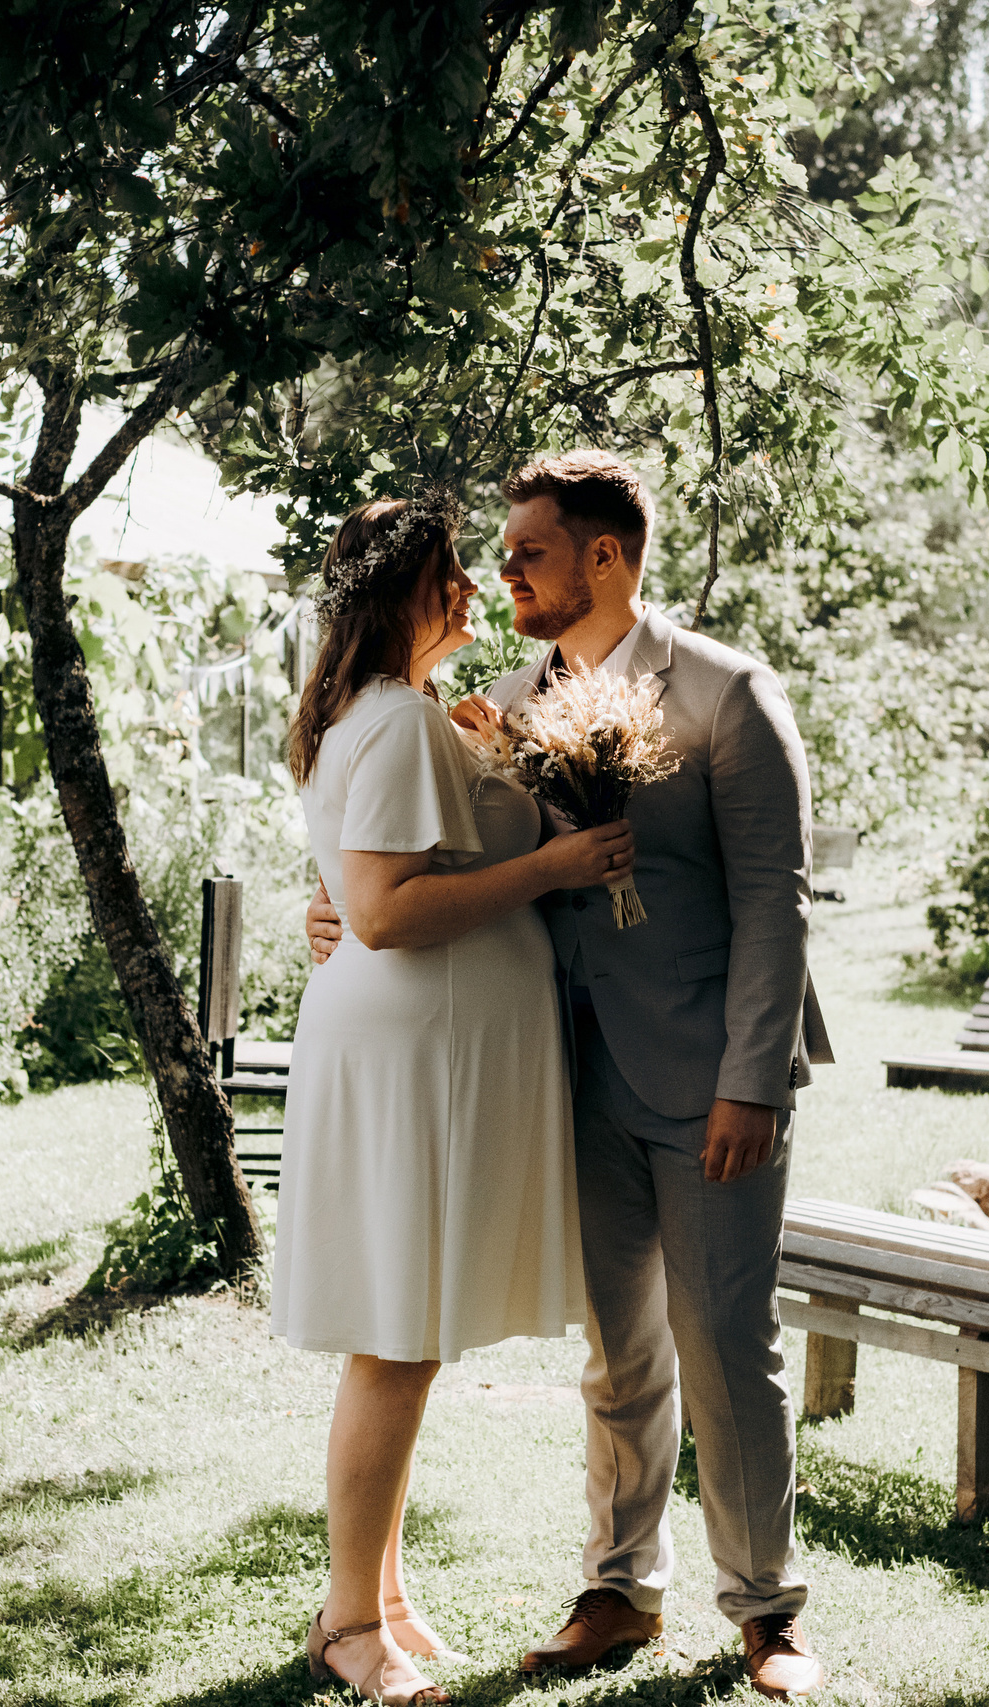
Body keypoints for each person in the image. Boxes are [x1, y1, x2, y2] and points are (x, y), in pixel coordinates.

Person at [309, 450, 828, 1700]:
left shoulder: (725, 695)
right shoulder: (497, 697)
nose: (504, 571)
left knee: (725, 1346)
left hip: (710, 1077)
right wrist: (327, 917)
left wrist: (753, 1078)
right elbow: (414, 860)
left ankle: (768, 1617)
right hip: (561, 1075)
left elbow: (778, 904)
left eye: (528, 550)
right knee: (615, 1354)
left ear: (605, 556)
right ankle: (617, 1587)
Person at [274, 496, 635, 1707]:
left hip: (428, 1055)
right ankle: (346, 1623)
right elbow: (379, 912)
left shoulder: (405, 718)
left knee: (409, 1338)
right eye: (451, 578)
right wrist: (553, 865)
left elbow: (371, 884)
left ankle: (380, 1593)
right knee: (396, 1338)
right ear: (402, 595)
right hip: (411, 1059)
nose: (475, 593)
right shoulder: (390, 725)